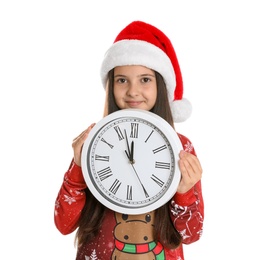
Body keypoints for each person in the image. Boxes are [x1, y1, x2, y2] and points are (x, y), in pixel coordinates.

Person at [54, 20, 204, 260]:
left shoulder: (181, 147)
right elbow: (64, 224)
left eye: (145, 79)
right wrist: (77, 169)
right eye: (122, 80)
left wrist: (184, 192)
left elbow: (191, 234)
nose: (133, 91)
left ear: (161, 85)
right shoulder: (93, 143)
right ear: (111, 86)